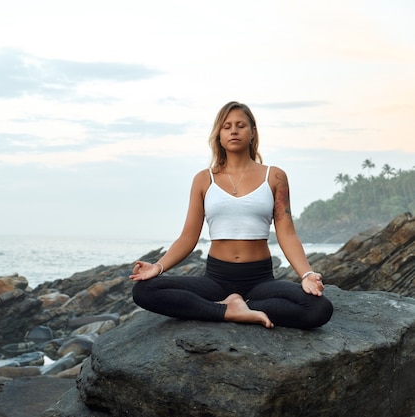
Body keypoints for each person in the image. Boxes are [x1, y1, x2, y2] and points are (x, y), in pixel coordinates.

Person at [130, 101, 333, 329]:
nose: (234, 131)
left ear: (253, 132)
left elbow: (286, 233)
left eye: (240, 125)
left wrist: (306, 274)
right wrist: (158, 267)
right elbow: (188, 237)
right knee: (143, 290)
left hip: (260, 281)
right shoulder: (204, 179)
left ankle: (244, 305)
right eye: (226, 126)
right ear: (219, 135)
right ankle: (228, 310)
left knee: (319, 308)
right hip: (215, 281)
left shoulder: (274, 177)